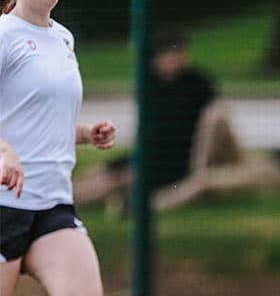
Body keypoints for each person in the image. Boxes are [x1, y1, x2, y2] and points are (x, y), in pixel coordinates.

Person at [0, 0, 118, 296]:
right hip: (4, 204)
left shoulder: (62, 38)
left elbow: (38, 119)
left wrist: (85, 132)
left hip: (50, 203)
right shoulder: (4, 37)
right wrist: (4, 152)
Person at [72, 28, 239, 208]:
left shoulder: (198, 82)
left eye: (178, 52)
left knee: (114, 178)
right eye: (167, 54)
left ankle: (66, 202)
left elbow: (214, 119)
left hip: (174, 163)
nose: (175, 58)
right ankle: (58, 196)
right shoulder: (151, 84)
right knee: (103, 170)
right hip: (149, 156)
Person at [152, 82, 280, 211]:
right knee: (216, 114)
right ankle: (195, 172)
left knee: (204, 182)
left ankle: (147, 208)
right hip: (261, 160)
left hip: (278, 175)